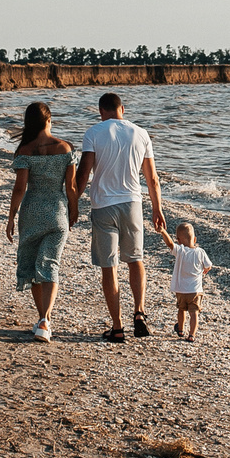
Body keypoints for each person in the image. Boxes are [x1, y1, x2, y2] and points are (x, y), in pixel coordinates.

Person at [74, 91, 166, 343]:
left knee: (109, 266)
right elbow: (152, 179)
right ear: (122, 109)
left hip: (103, 206)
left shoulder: (94, 133)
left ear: (101, 111)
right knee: (136, 260)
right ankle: (139, 312)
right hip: (133, 204)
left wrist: (72, 203)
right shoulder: (141, 133)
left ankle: (117, 327)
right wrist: (157, 210)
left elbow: (82, 176)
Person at [4, 100, 79, 343]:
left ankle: (43, 319)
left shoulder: (25, 150)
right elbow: (71, 186)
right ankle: (45, 319)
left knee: (34, 265)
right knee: (50, 263)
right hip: (57, 212)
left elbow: (19, 188)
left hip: (32, 213)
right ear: (49, 120)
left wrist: (11, 216)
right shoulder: (65, 148)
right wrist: (74, 210)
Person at [167, 221, 213, 341]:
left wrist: (162, 231)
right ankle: (192, 334)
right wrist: (206, 269)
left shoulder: (180, 251)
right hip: (195, 290)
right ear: (195, 238)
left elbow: (170, 244)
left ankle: (181, 330)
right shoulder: (200, 252)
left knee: (181, 310)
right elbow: (208, 265)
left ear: (179, 240)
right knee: (194, 313)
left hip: (181, 290)